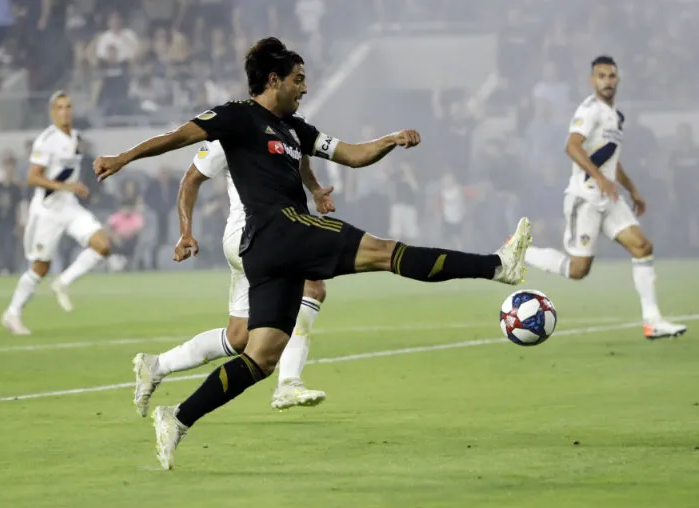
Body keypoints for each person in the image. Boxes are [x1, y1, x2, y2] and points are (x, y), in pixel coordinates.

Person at [93, 37, 531, 469]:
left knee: (261, 354)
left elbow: (352, 155)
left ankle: (178, 417)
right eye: (298, 80)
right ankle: (498, 266)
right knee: (386, 252)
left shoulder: (296, 130)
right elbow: (179, 138)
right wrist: (124, 158)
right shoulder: (238, 116)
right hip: (278, 231)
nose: (305, 88)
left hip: (270, 252)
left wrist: (390, 139)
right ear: (273, 79)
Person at [133, 140, 329, 418]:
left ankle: (157, 365)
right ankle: (288, 382)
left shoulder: (293, 124)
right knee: (312, 287)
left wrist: (316, 189)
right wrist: (185, 231)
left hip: (266, 235)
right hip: (254, 234)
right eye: (295, 91)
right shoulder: (233, 126)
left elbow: (303, 161)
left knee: (239, 337)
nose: (301, 93)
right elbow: (192, 177)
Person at [524, 56, 686, 340]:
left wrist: (632, 189)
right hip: (585, 198)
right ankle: (521, 252)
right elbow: (572, 147)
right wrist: (599, 178)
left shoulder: (615, 116)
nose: (607, 81)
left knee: (642, 247)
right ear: (592, 80)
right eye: (601, 76)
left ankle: (653, 321)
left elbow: (611, 159)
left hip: (608, 198)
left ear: (618, 80)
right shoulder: (590, 110)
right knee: (578, 270)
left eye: (611, 76)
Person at [1, 91, 112, 335]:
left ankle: (63, 282)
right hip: (47, 212)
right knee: (40, 267)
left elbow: (65, 171)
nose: (65, 111)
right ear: (53, 112)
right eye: (60, 107)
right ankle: (12, 313)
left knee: (103, 245)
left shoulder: (75, 137)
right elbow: (33, 177)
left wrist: (77, 186)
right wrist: (65, 186)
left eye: (69, 106)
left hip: (70, 206)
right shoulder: (46, 140)